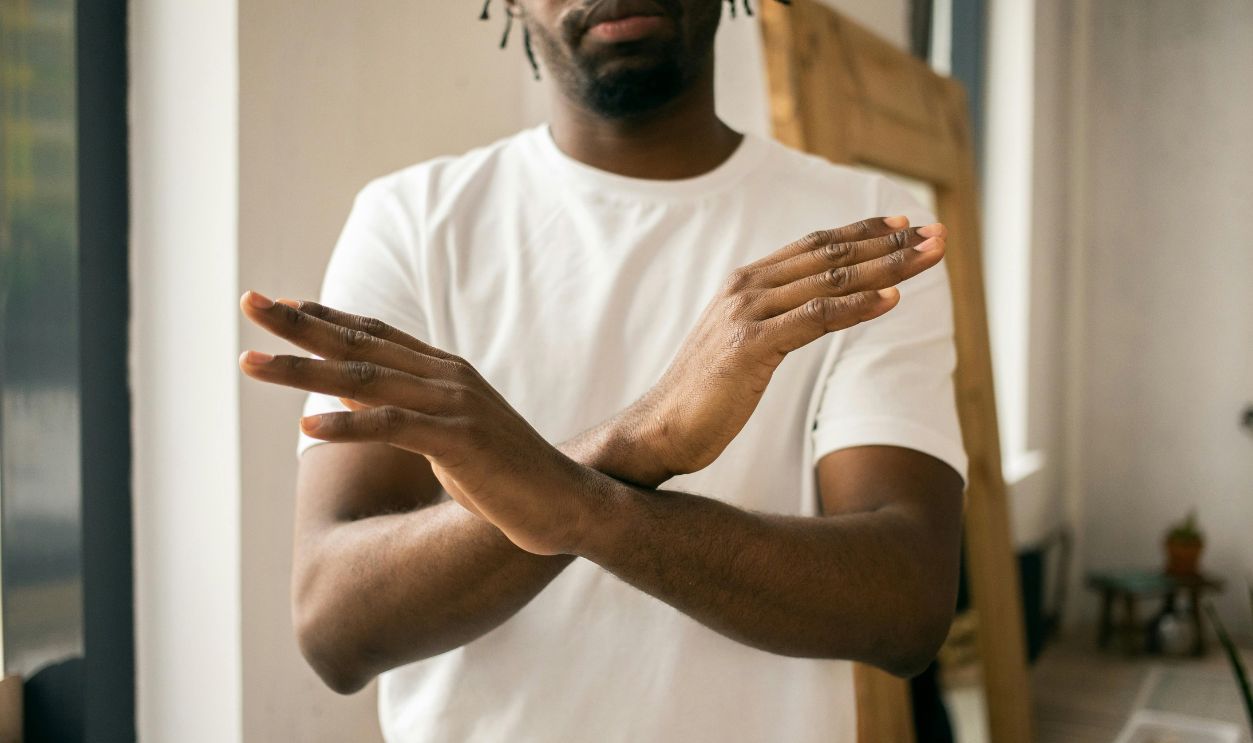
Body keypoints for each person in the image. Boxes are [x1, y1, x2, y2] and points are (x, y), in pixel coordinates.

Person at [239, 1, 967, 740]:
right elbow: (336, 626)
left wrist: (577, 503)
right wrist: (635, 442)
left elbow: (906, 606)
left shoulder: (864, 229)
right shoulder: (410, 221)